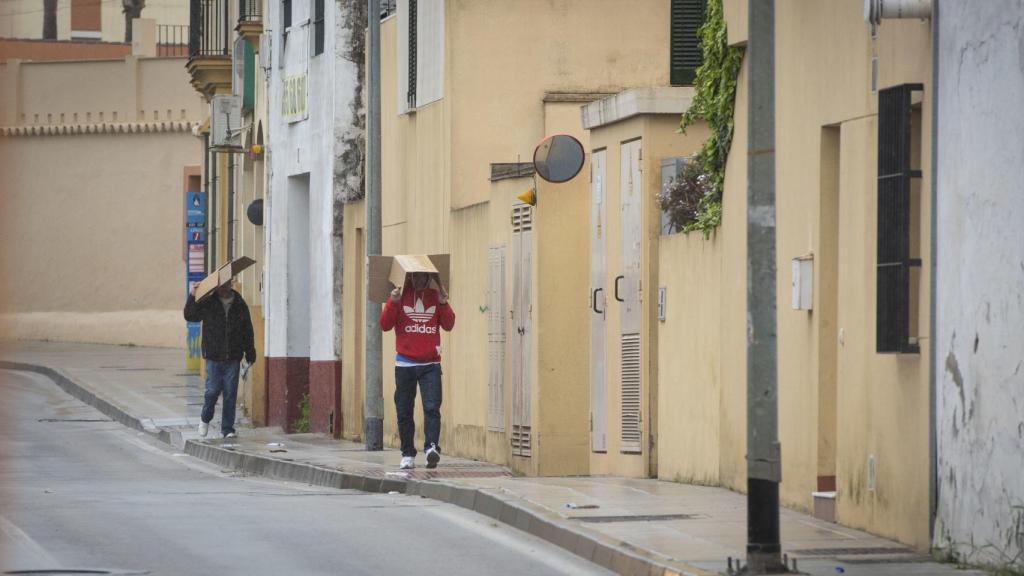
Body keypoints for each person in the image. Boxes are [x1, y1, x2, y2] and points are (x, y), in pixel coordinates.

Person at [379, 272, 455, 469]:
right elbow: (385, 325)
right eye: (415, 277)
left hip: (430, 364)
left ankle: (431, 448)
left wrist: (443, 303)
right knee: (404, 411)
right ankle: (407, 454)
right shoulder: (399, 295)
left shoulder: (435, 295)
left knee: (432, 408)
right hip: (405, 364)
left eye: (423, 277)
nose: (419, 281)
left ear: (429, 278)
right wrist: (392, 302)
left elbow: (449, 325)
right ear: (408, 278)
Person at [184, 281, 256, 439]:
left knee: (230, 393)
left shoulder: (239, 303)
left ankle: (228, 429)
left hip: (233, 355)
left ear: (231, 284)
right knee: (212, 391)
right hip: (213, 355)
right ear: (216, 286)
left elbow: (247, 329)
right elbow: (190, 315)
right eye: (221, 285)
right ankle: (205, 418)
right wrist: (192, 295)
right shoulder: (209, 302)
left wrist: (250, 352)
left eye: (227, 284)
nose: (224, 288)